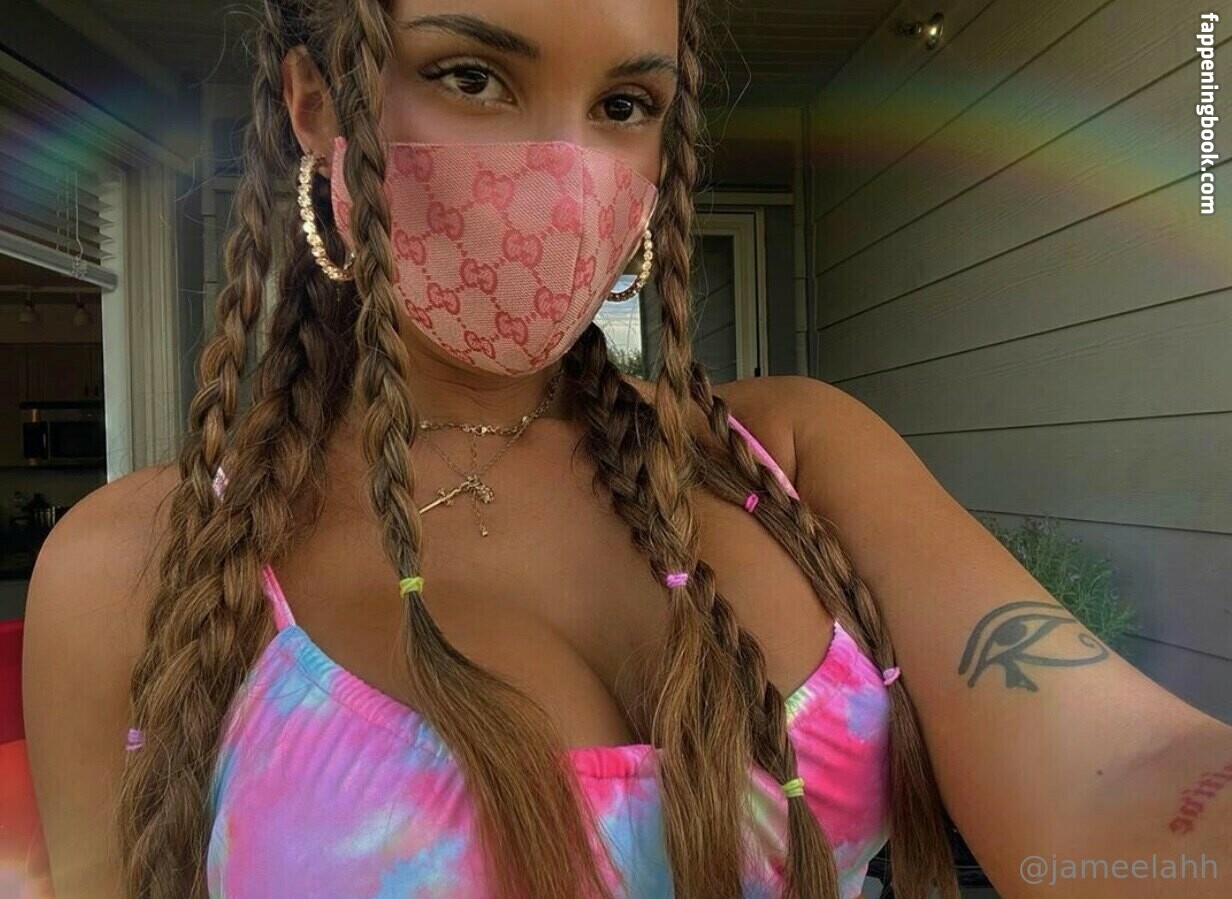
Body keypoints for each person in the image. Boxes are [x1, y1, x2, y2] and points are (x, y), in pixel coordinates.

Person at [21, 0, 1232, 897]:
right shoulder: (141, 567)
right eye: (473, 77)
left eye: (622, 106)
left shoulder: (786, 459)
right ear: (315, 106)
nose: (565, 173)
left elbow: (1118, 767)